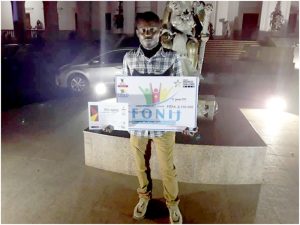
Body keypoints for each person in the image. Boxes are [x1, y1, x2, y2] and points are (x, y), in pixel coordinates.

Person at [122, 11, 184, 224]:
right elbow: (124, 92)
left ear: (160, 32)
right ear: (137, 32)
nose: (148, 34)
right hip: (138, 124)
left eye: (152, 30)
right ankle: (144, 198)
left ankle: (173, 204)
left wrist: (184, 118)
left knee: (167, 167)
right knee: (140, 164)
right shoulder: (129, 58)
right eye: (143, 30)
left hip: (164, 124)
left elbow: (179, 94)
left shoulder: (172, 58)